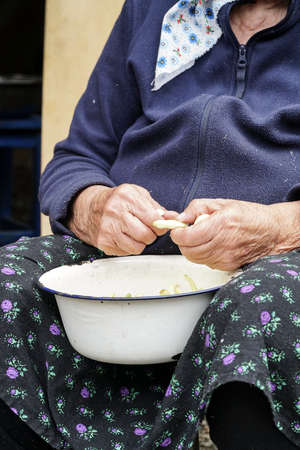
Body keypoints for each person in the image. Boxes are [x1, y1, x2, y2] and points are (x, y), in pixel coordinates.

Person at [1, 0, 300, 448]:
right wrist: (95, 206)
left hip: (279, 266)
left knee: (261, 312)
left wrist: (279, 227)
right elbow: (75, 159)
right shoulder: (152, 10)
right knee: (7, 287)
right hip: (128, 266)